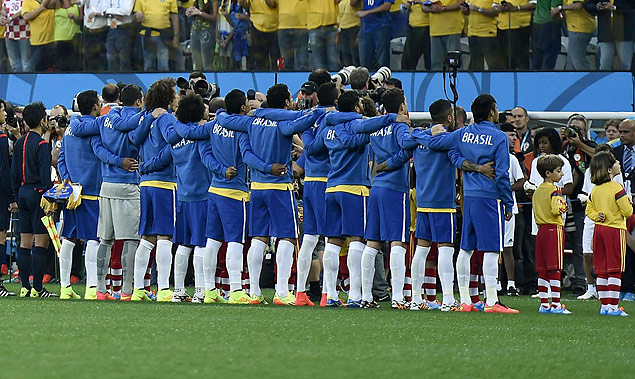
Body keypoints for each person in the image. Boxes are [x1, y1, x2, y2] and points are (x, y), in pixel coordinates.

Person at [216, 84, 322, 305]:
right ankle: (282, 292)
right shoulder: (284, 122)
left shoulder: (250, 122)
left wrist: (263, 167)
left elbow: (234, 136)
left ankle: (254, 292)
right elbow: (307, 119)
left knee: (258, 238)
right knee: (287, 236)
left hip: (256, 186)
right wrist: (322, 111)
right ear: (286, 103)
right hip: (279, 186)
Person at [414, 94, 519, 313]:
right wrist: (508, 204)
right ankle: (491, 301)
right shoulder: (498, 137)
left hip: (468, 197)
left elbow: (437, 144)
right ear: (492, 112)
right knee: (491, 248)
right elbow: (501, 173)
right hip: (489, 197)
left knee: (466, 248)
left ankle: (464, 301)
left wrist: (424, 133)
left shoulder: (463, 133)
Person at [174, 89, 276, 304]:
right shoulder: (240, 130)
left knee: (212, 241)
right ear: (242, 108)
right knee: (235, 242)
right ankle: (237, 290)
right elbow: (247, 155)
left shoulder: (212, 126)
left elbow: (198, 146)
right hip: (235, 193)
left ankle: (209, 290)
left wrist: (219, 170)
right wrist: (267, 166)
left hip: (214, 191)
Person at [321, 91, 408, 307]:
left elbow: (314, 148)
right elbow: (358, 137)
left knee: (333, 241)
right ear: (357, 109)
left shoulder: (329, 128)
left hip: (331, 187)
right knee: (358, 240)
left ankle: (330, 294)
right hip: (354, 188)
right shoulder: (357, 126)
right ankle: (356, 295)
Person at [56, 90, 128, 300]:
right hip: (90, 193)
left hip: (72, 192)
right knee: (93, 240)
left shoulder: (69, 128)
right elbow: (100, 153)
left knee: (68, 240)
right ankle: (92, 288)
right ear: (95, 106)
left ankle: (64, 288)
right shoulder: (94, 129)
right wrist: (119, 161)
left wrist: (67, 178)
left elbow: (61, 158)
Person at [296, 82, 338, 306]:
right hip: (325, 182)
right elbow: (315, 148)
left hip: (310, 181)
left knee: (310, 240)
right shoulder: (332, 119)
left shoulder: (310, 117)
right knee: (330, 239)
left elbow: (309, 148)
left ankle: (301, 293)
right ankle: (327, 294)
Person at [10, 102, 55, 297]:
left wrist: (15, 196)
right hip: (38, 194)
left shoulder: (19, 142)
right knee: (41, 243)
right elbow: (45, 177)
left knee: (24, 242)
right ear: (42, 120)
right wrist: (49, 199)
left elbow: (13, 174)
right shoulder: (42, 144)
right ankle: (37, 287)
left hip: (22, 193)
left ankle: (24, 287)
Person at [586, 151, 633, 316]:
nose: (618, 163)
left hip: (599, 230)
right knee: (615, 268)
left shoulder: (596, 189)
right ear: (609, 169)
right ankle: (613, 307)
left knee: (601, 268)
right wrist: (628, 201)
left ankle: (604, 305)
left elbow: (589, 209)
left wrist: (596, 216)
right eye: (615, 162)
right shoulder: (617, 187)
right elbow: (627, 212)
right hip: (614, 230)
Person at [532, 154, 572, 314]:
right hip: (553, 229)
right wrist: (564, 207)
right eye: (559, 171)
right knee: (555, 267)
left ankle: (544, 303)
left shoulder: (537, 191)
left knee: (542, 268)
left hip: (541, 230)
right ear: (548, 173)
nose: (561, 174)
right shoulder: (555, 190)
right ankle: (556, 304)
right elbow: (557, 210)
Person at [500, 122, 525, 296]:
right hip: (491, 206)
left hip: (510, 207)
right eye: (510, 134)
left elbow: (521, 181)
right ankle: (493, 282)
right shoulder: (490, 156)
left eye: (515, 135)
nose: (514, 138)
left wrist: (505, 188)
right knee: (493, 247)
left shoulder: (512, 159)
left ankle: (510, 283)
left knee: (508, 247)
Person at [586, 0, 634, 71]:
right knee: (605, 62)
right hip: (605, 32)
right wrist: (596, 7)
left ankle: (624, 81)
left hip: (624, 32)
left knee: (625, 63)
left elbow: (632, 8)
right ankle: (605, 81)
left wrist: (615, 8)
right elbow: (588, 4)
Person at [134, 0, 180, 72]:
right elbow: (134, 18)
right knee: (148, 65)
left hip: (164, 35)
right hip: (147, 34)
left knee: (164, 66)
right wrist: (137, 13)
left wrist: (176, 35)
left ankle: (164, 82)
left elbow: (174, 17)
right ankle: (149, 82)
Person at [0, 103, 16, 296]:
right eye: (2, 110)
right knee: (1, 235)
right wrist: (12, 198)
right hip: (1, 195)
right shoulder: (2, 139)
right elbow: (4, 171)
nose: (5, 113)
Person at [351, 0, 393, 70]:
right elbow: (352, 3)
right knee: (364, 63)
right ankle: (365, 80)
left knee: (382, 61)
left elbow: (387, 6)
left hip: (381, 26)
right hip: (365, 28)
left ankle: (384, 80)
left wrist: (367, 12)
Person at [463, 0, 503, 70]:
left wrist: (478, 9)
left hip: (487, 33)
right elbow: (467, 12)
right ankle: (478, 80)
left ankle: (496, 80)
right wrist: (465, 10)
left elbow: (495, 11)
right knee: (476, 65)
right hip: (472, 33)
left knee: (493, 65)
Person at [425, 0, 464, 71]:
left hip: (452, 29)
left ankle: (457, 81)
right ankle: (437, 81)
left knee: (454, 63)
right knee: (436, 65)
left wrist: (443, 9)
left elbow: (461, 4)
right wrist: (429, 8)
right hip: (435, 30)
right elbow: (424, 5)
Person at [496, 0, 533, 70]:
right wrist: (499, 8)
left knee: (521, 60)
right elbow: (494, 5)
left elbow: (534, 4)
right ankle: (508, 79)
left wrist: (517, 8)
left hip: (520, 27)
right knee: (506, 61)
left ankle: (523, 79)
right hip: (502, 27)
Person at [21, 0, 54, 71]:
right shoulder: (28, 2)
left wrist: (43, 5)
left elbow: (54, 4)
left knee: (51, 68)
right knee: (34, 67)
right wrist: (40, 9)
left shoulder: (50, 1)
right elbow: (26, 17)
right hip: (36, 42)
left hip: (51, 41)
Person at [307, 0, 339, 71]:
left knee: (334, 60)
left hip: (332, 25)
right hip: (315, 26)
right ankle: (321, 81)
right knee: (318, 62)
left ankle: (335, 81)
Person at [562, 0, 595, 70]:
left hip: (579, 29)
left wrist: (560, 8)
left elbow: (578, 5)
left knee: (579, 63)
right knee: (570, 63)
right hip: (574, 28)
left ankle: (587, 79)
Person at [103, 0, 135, 71]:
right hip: (111, 28)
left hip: (124, 28)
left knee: (124, 60)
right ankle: (113, 80)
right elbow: (103, 10)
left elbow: (126, 11)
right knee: (111, 59)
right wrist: (115, 14)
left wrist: (110, 12)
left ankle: (126, 80)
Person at [246, 0, 278, 70]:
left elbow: (272, 4)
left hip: (275, 27)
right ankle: (262, 79)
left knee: (276, 60)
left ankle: (277, 78)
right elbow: (242, 4)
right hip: (257, 27)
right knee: (260, 61)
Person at [1, 0, 32, 72]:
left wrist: (11, 18)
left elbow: (23, 11)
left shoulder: (25, 1)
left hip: (24, 33)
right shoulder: (7, 0)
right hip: (9, 33)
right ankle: (17, 81)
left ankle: (28, 81)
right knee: (14, 65)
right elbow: (4, 9)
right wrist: (3, 16)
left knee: (26, 64)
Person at [277, 0, 307, 71]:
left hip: (302, 25)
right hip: (283, 25)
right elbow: (272, 4)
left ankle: (302, 80)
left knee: (302, 64)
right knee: (286, 64)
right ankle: (286, 80)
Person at [531, 0, 562, 70]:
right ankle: (546, 78)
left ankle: (534, 78)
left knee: (537, 58)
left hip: (537, 24)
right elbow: (554, 11)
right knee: (548, 59)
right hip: (549, 25)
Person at [187, 0, 217, 71]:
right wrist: (190, 11)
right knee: (196, 61)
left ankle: (208, 80)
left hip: (207, 32)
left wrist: (200, 13)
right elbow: (194, 10)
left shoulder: (213, 1)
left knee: (207, 62)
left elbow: (214, 17)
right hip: (195, 30)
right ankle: (197, 79)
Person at [401, 0, 431, 70]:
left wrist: (420, 2)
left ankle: (434, 79)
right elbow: (403, 9)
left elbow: (435, 6)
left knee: (430, 61)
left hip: (429, 27)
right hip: (413, 28)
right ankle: (408, 79)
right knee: (407, 62)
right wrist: (405, 6)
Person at [52, 0, 81, 71]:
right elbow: (44, 5)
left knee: (74, 64)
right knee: (60, 64)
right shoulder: (55, 5)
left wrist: (74, 18)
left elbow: (82, 19)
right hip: (60, 39)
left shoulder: (77, 5)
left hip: (74, 38)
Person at [82, 0, 107, 71]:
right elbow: (76, 3)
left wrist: (97, 13)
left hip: (101, 30)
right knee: (88, 58)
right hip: (87, 30)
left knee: (101, 58)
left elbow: (107, 12)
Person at [337, 0, 360, 67]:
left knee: (355, 56)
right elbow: (339, 17)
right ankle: (347, 73)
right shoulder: (342, 2)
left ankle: (358, 75)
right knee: (345, 57)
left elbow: (352, 3)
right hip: (342, 29)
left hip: (355, 28)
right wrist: (337, 32)